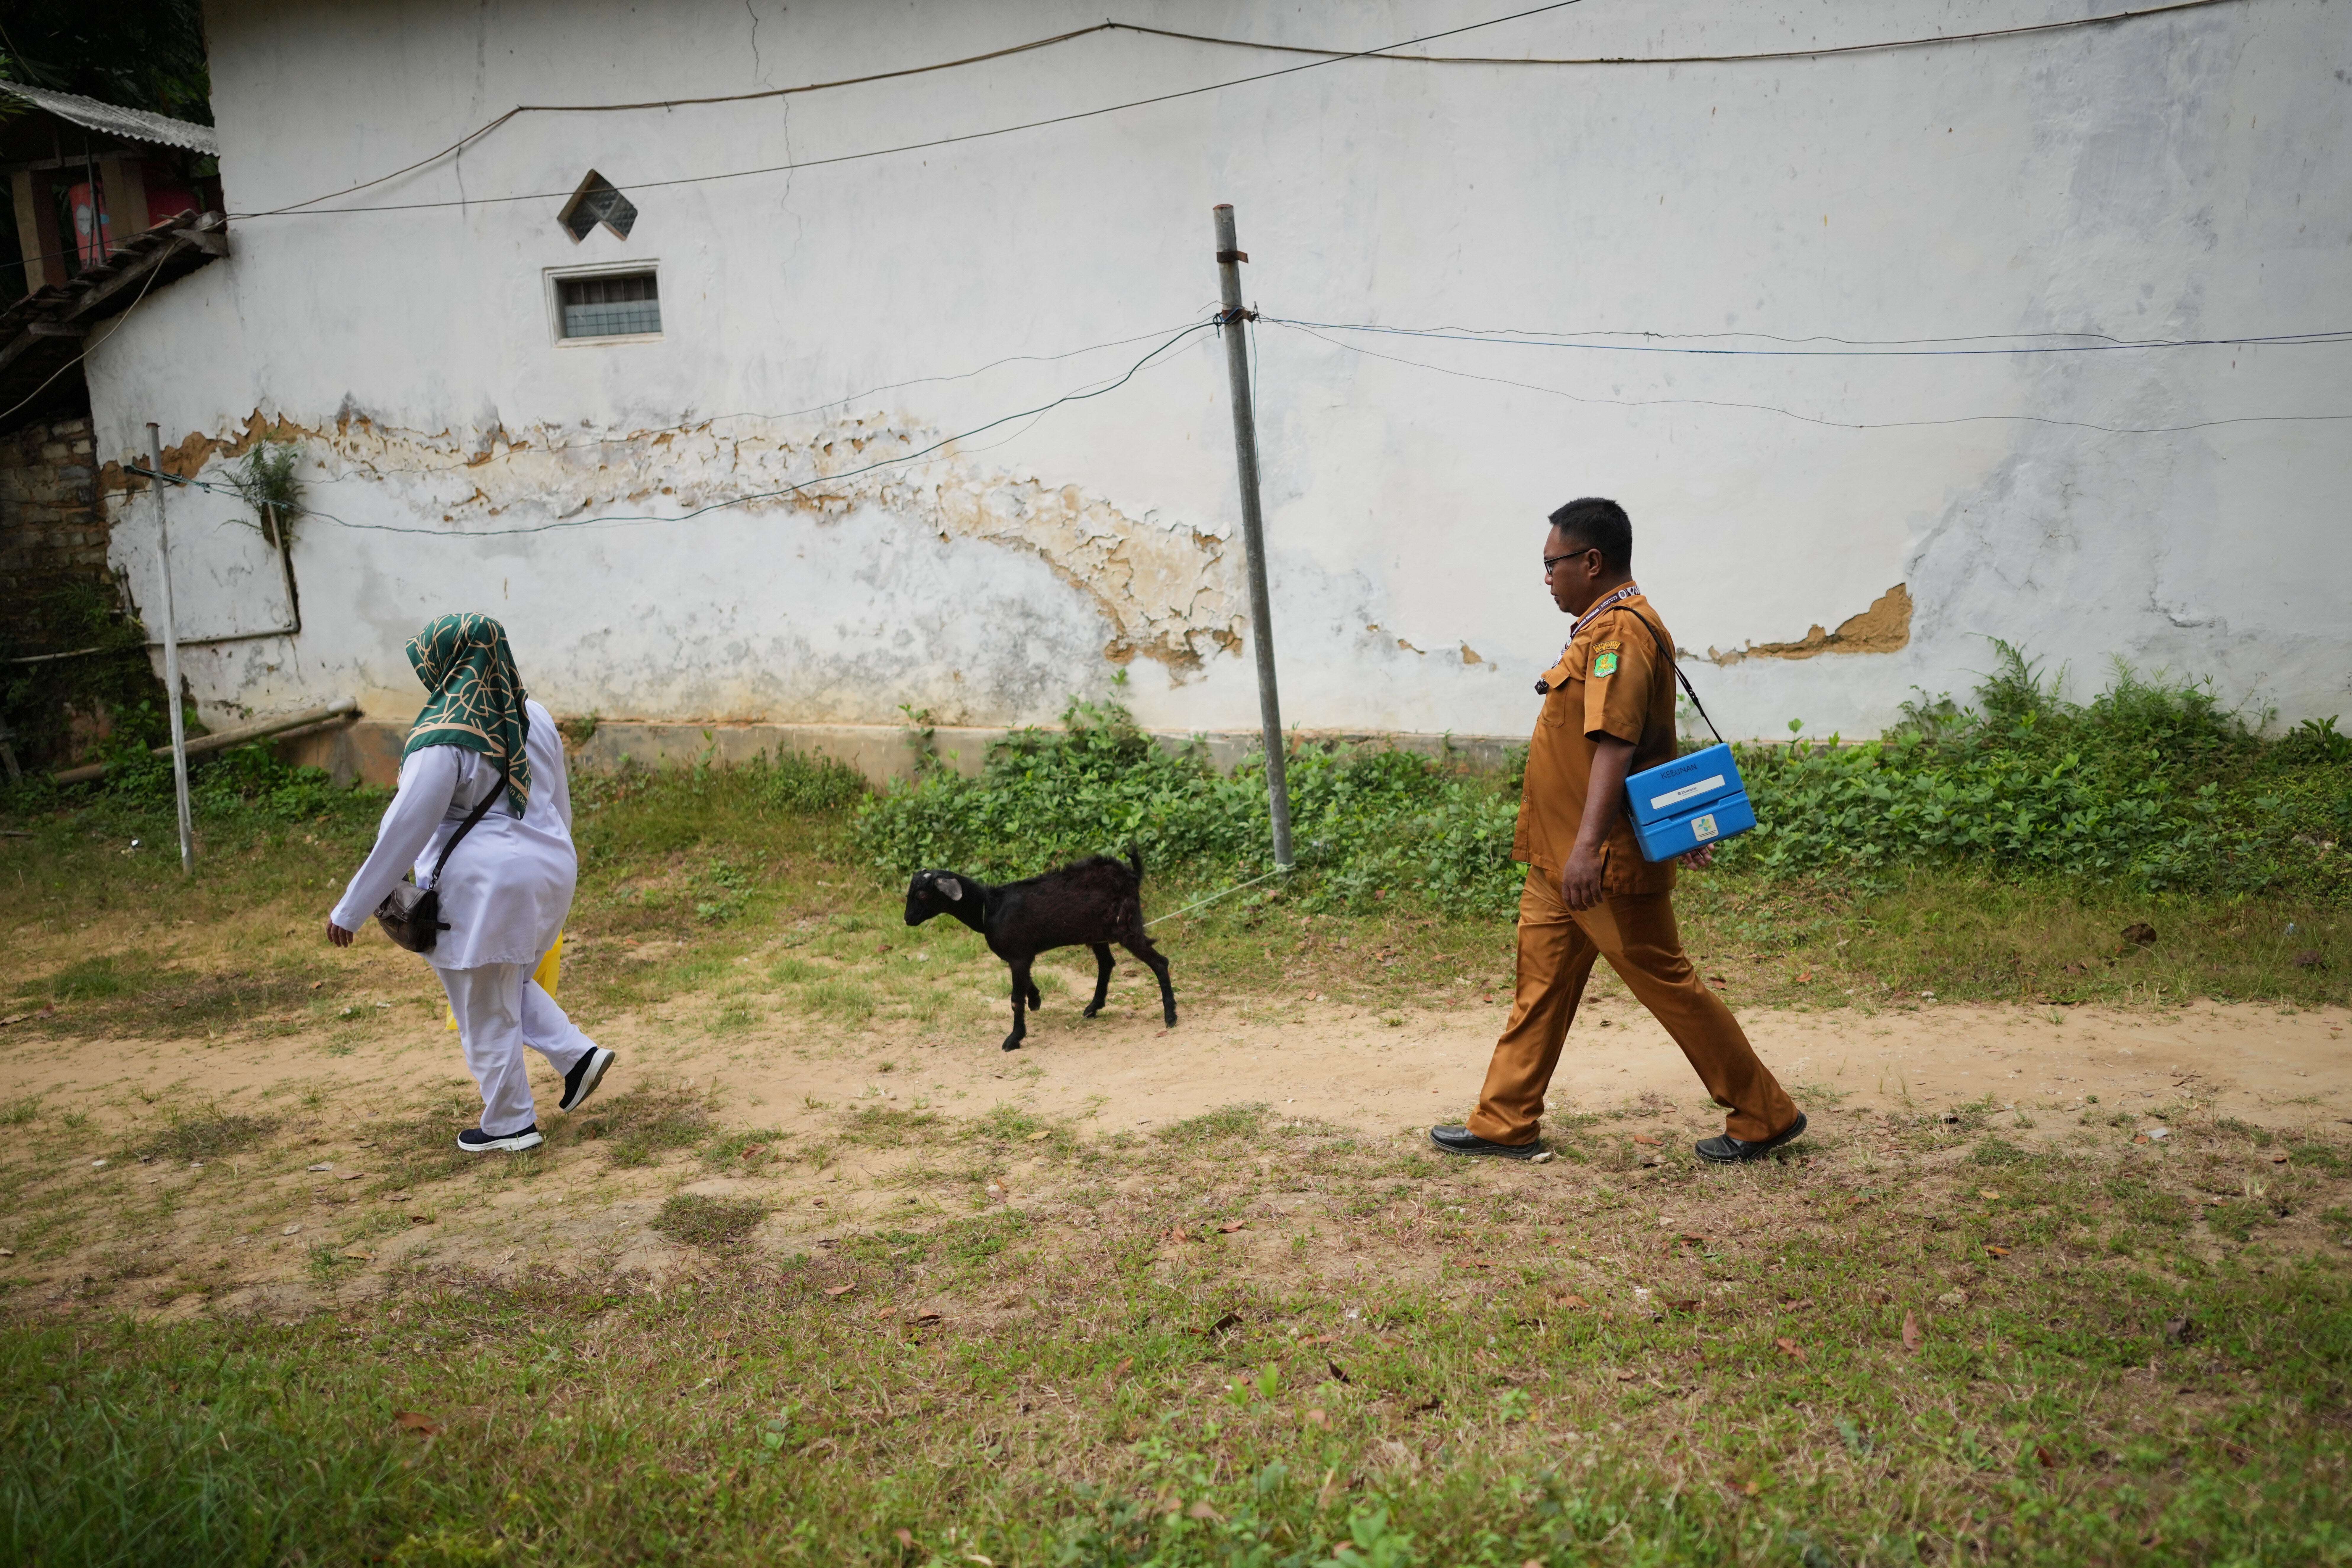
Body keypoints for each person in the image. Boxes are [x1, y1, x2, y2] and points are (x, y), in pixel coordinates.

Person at [1431, 498, 1804, 1164]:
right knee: (1540, 985)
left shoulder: (1621, 636)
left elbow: (1617, 743)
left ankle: (1764, 1112)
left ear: (1592, 562)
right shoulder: (1599, 628)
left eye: (1553, 564)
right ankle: (1505, 1118)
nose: (1546, 576)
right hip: (1560, 859)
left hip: (1599, 863)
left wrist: (1586, 850)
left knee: (1668, 983)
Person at [327, 614, 615, 1152]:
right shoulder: (534, 714)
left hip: (485, 884)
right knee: (503, 981)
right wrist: (549, 869)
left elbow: (405, 827)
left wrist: (352, 907)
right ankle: (577, 1058)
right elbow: (556, 803)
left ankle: (510, 1125)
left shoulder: (442, 736)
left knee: (482, 1003)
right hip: (549, 869)